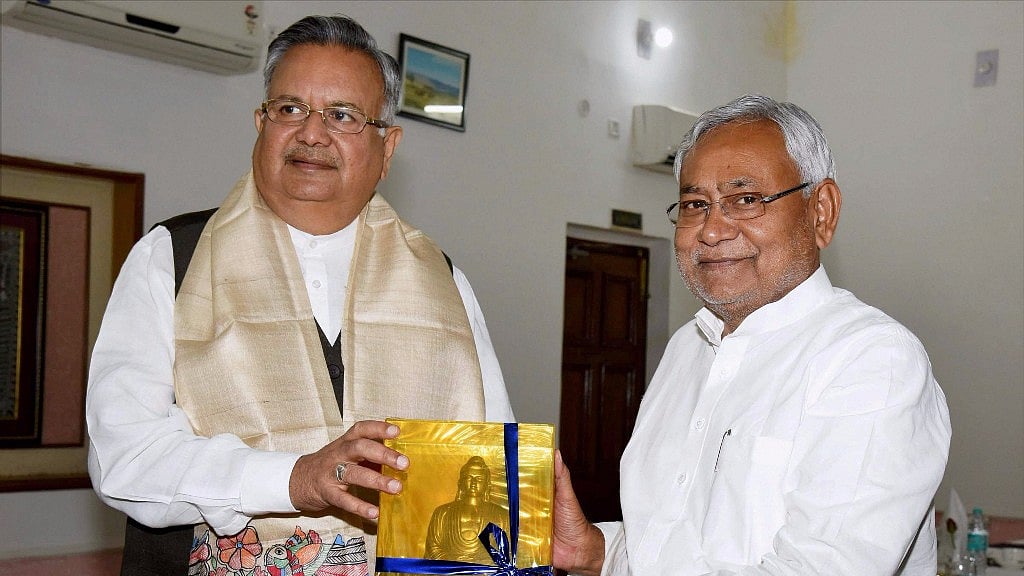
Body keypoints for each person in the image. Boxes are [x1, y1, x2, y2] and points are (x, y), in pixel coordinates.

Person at [86, 15, 514, 576]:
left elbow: (491, 468)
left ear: (388, 148)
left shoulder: (443, 281)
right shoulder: (172, 259)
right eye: (290, 109)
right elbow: (124, 456)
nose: (312, 133)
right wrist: (297, 479)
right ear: (260, 124)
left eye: (342, 116)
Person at [551, 94, 951, 575]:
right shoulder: (686, 350)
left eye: (746, 200)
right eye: (695, 204)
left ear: (821, 212)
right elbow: (669, 548)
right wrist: (596, 552)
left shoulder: (871, 359)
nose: (712, 230)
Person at [424, 456, 508, 563]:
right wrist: (454, 563)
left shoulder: (501, 515)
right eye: (469, 478)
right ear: (461, 482)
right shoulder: (443, 512)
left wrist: (477, 565)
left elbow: (506, 552)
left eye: (479, 479)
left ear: (487, 484)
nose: (473, 483)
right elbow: (433, 547)